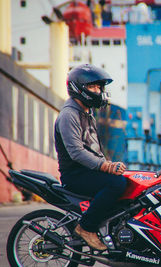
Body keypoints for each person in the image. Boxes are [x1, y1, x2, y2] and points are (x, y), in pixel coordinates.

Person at [54, 64, 127, 250]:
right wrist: (105, 166)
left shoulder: (87, 113)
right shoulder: (69, 115)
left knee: (130, 182)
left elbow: (94, 149)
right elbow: (76, 152)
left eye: (99, 87)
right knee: (116, 184)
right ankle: (86, 228)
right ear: (79, 88)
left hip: (88, 171)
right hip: (76, 175)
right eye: (93, 87)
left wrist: (110, 165)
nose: (98, 91)